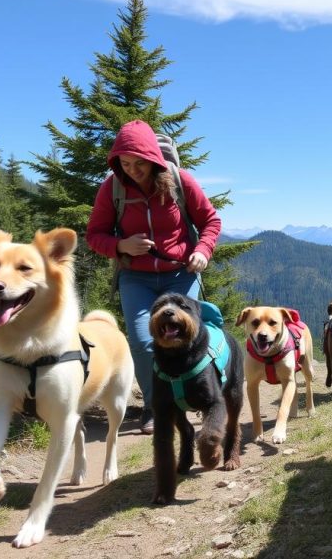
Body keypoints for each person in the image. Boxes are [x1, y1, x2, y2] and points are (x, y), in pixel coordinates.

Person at [86, 119, 221, 435]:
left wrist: (202, 250)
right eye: (124, 163)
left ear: (153, 158)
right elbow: (94, 235)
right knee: (145, 342)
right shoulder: (113, 188)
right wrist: (121, 245)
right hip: (136, 278)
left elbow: (210, 220)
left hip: (180, 275)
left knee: (187, 338)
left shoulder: (179, 181)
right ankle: (156, 405)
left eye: (138, 163)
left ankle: (197, 394)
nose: (132, 169)